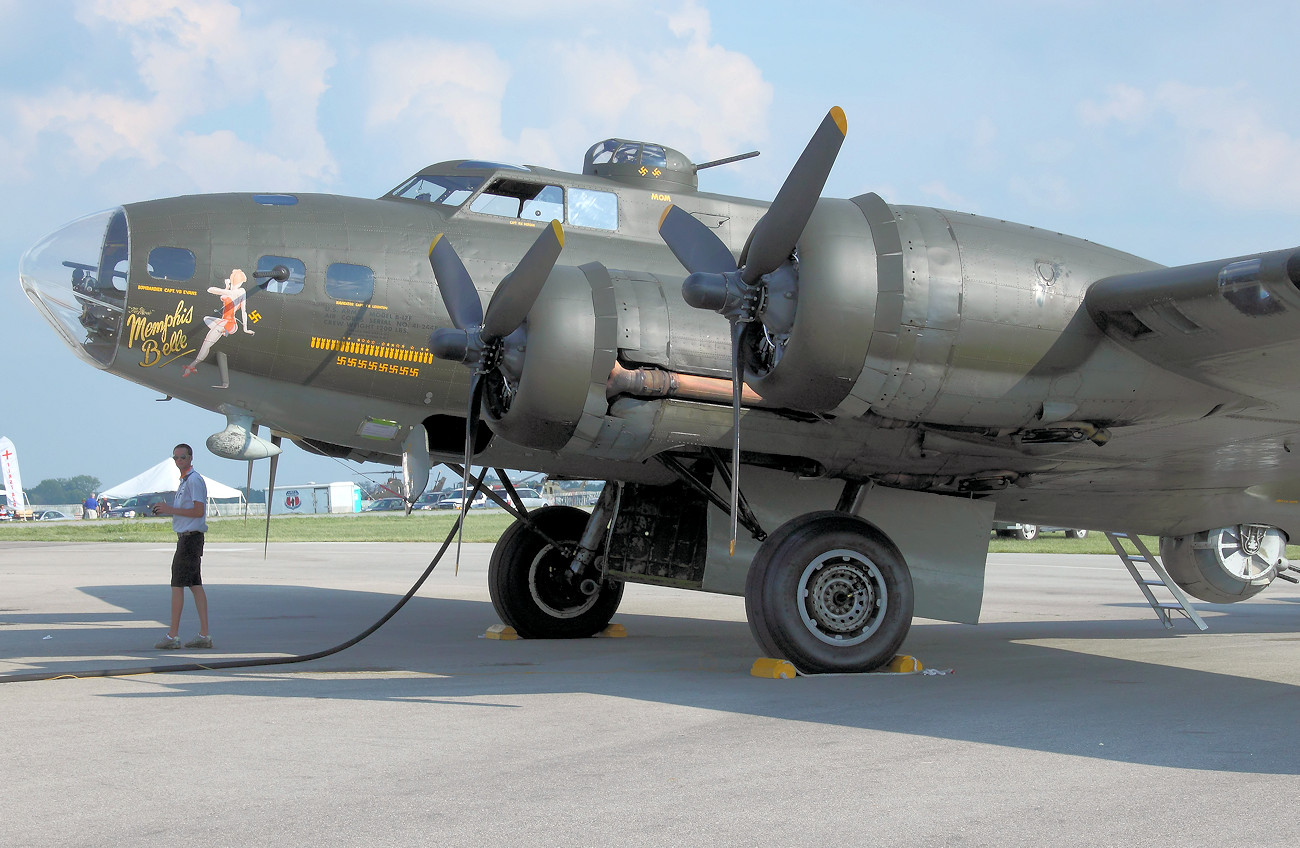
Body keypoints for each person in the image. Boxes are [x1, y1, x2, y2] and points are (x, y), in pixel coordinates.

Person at [151, 444, 212, 649]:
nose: (179, 461)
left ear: (190, 458)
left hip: (190, 539)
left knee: (177, 585)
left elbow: (198, 510)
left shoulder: (194, 480)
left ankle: (173, 635)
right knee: (195, 585)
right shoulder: (185, 481)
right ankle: (204, 634)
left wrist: (170, 509)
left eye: (182, 457)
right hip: (187, 538)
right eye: (175, 458)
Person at [181, 268, 255, 378]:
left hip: (229, 323)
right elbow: (213, 291)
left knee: (207, 342)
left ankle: (192, 365)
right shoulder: (236, 291)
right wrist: (226, 287)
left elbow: (211, 290)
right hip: (223, 321)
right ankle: (221, 331)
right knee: (207, 319)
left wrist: (245, 329)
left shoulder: (239, 292)